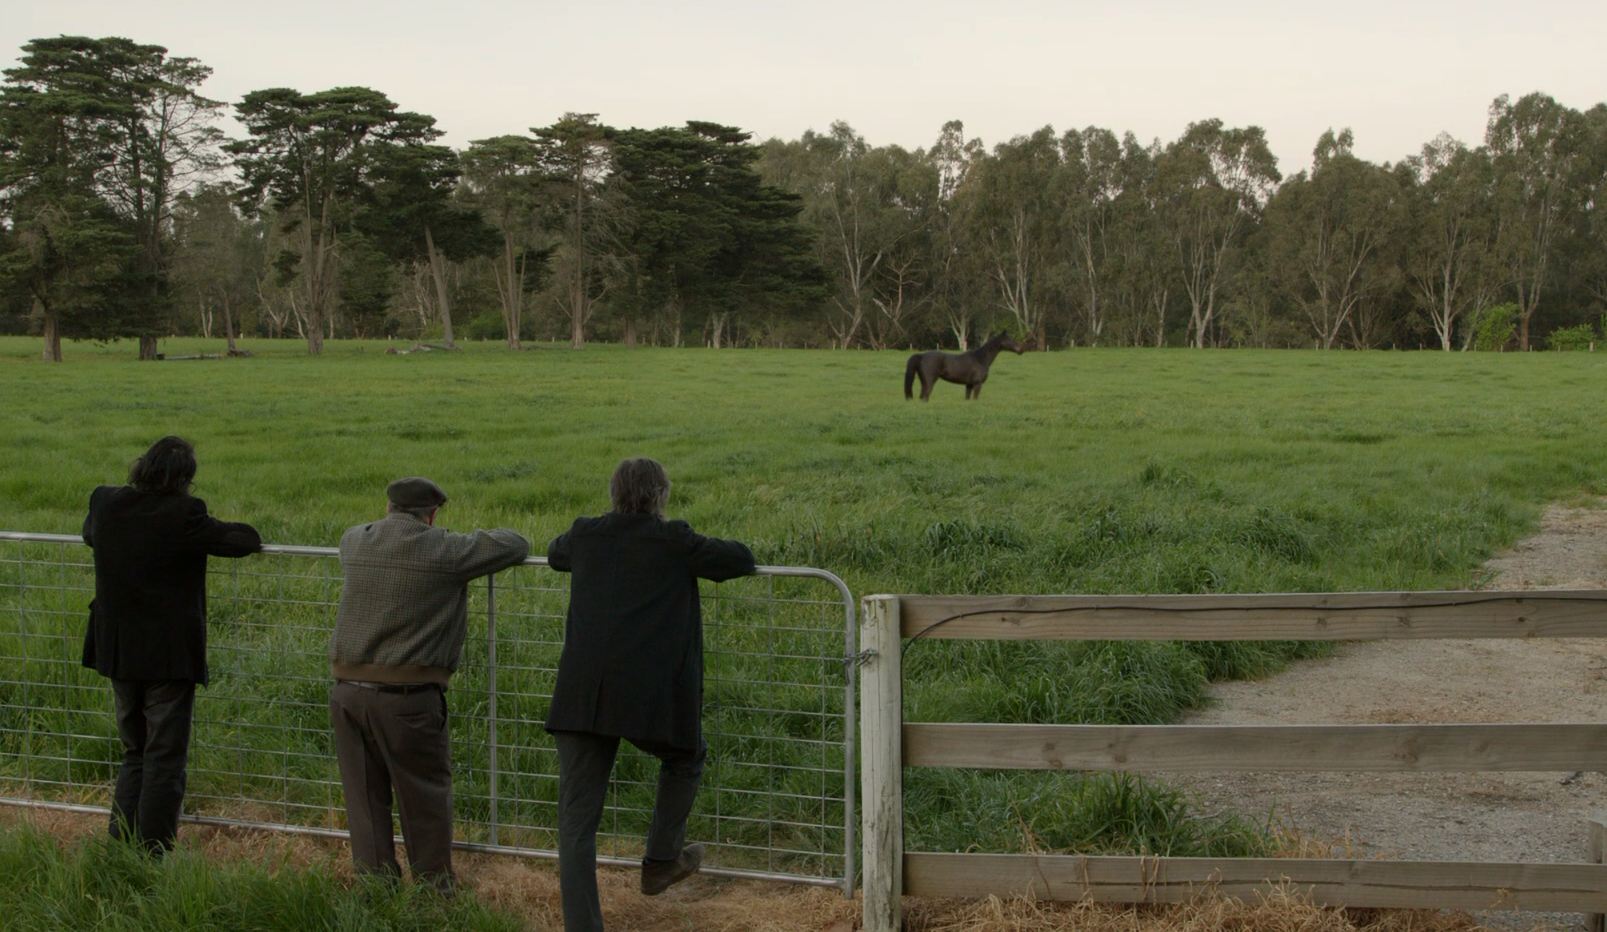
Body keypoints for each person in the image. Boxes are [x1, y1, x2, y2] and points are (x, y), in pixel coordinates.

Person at [545, 457, 756, 932]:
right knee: (685, 757)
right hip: (648, 700)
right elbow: (739, 559)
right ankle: (661, 861)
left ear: (613, 492)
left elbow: (557, 552)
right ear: (660, 495)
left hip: (582, 696)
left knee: (576, 824)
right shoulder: (674, 540)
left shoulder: (585, 533)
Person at [329, 476, 529, 892]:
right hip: (408, 697)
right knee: (424, 798)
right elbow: (515, 543)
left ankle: (375, 886)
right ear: (432, 514)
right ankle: (434, 890)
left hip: (347, 691)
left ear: (387, 507)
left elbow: (354, 535)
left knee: (364, 797)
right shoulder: (445, 550)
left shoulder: (354, 541)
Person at [81, 435, 262, 854]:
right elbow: (244, 540)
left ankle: (120, 841)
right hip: (167, 655)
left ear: (142, 465)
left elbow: (90, 534)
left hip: (118, 649)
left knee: (134, 750)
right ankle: (153, 850)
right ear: (185, 479)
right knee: (164, 754)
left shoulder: (105, 502)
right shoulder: (185, 513)